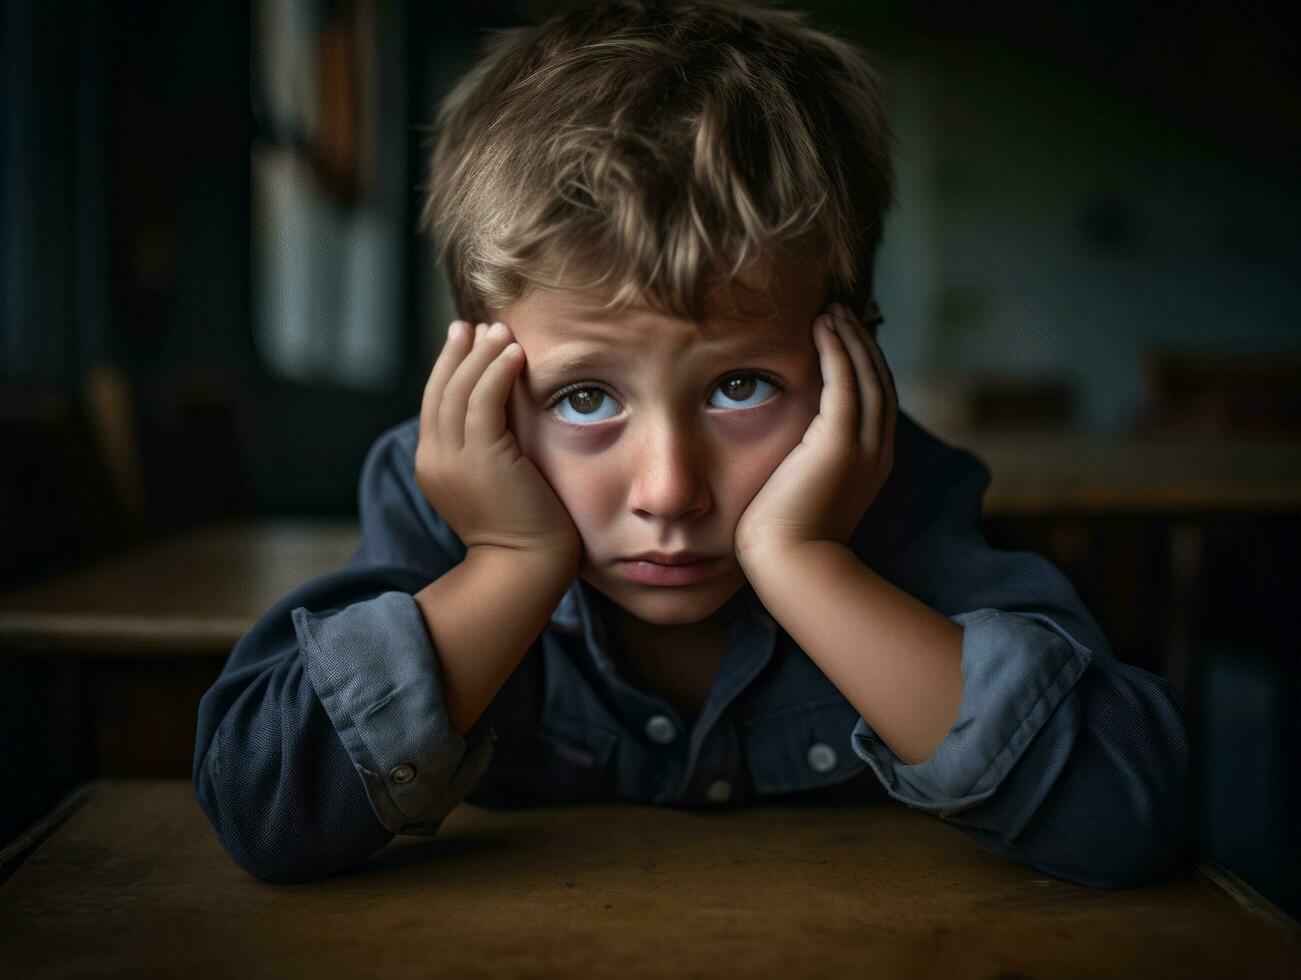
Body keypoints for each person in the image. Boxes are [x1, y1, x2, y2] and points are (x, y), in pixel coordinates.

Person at [193, 0, 1192, 886]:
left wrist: (805, 561)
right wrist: (507, 561)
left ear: (851, 361)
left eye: (740, 385)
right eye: (584, 396)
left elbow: (1126, 814)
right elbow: (262, 807)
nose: (669, 490)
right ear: (480, 380)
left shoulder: (893, 488)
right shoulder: (434, 500)